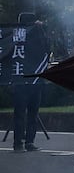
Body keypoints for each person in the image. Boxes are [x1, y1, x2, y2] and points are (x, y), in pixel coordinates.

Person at [11, 13, 49, 153]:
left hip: (35, 80)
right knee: (20, 114)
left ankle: (29, 141)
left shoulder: (39, 36)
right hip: (22, 80)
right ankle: (18, 143)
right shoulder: (17, 37)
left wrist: (40, 30)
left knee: (32, 113)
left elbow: (46, 48)